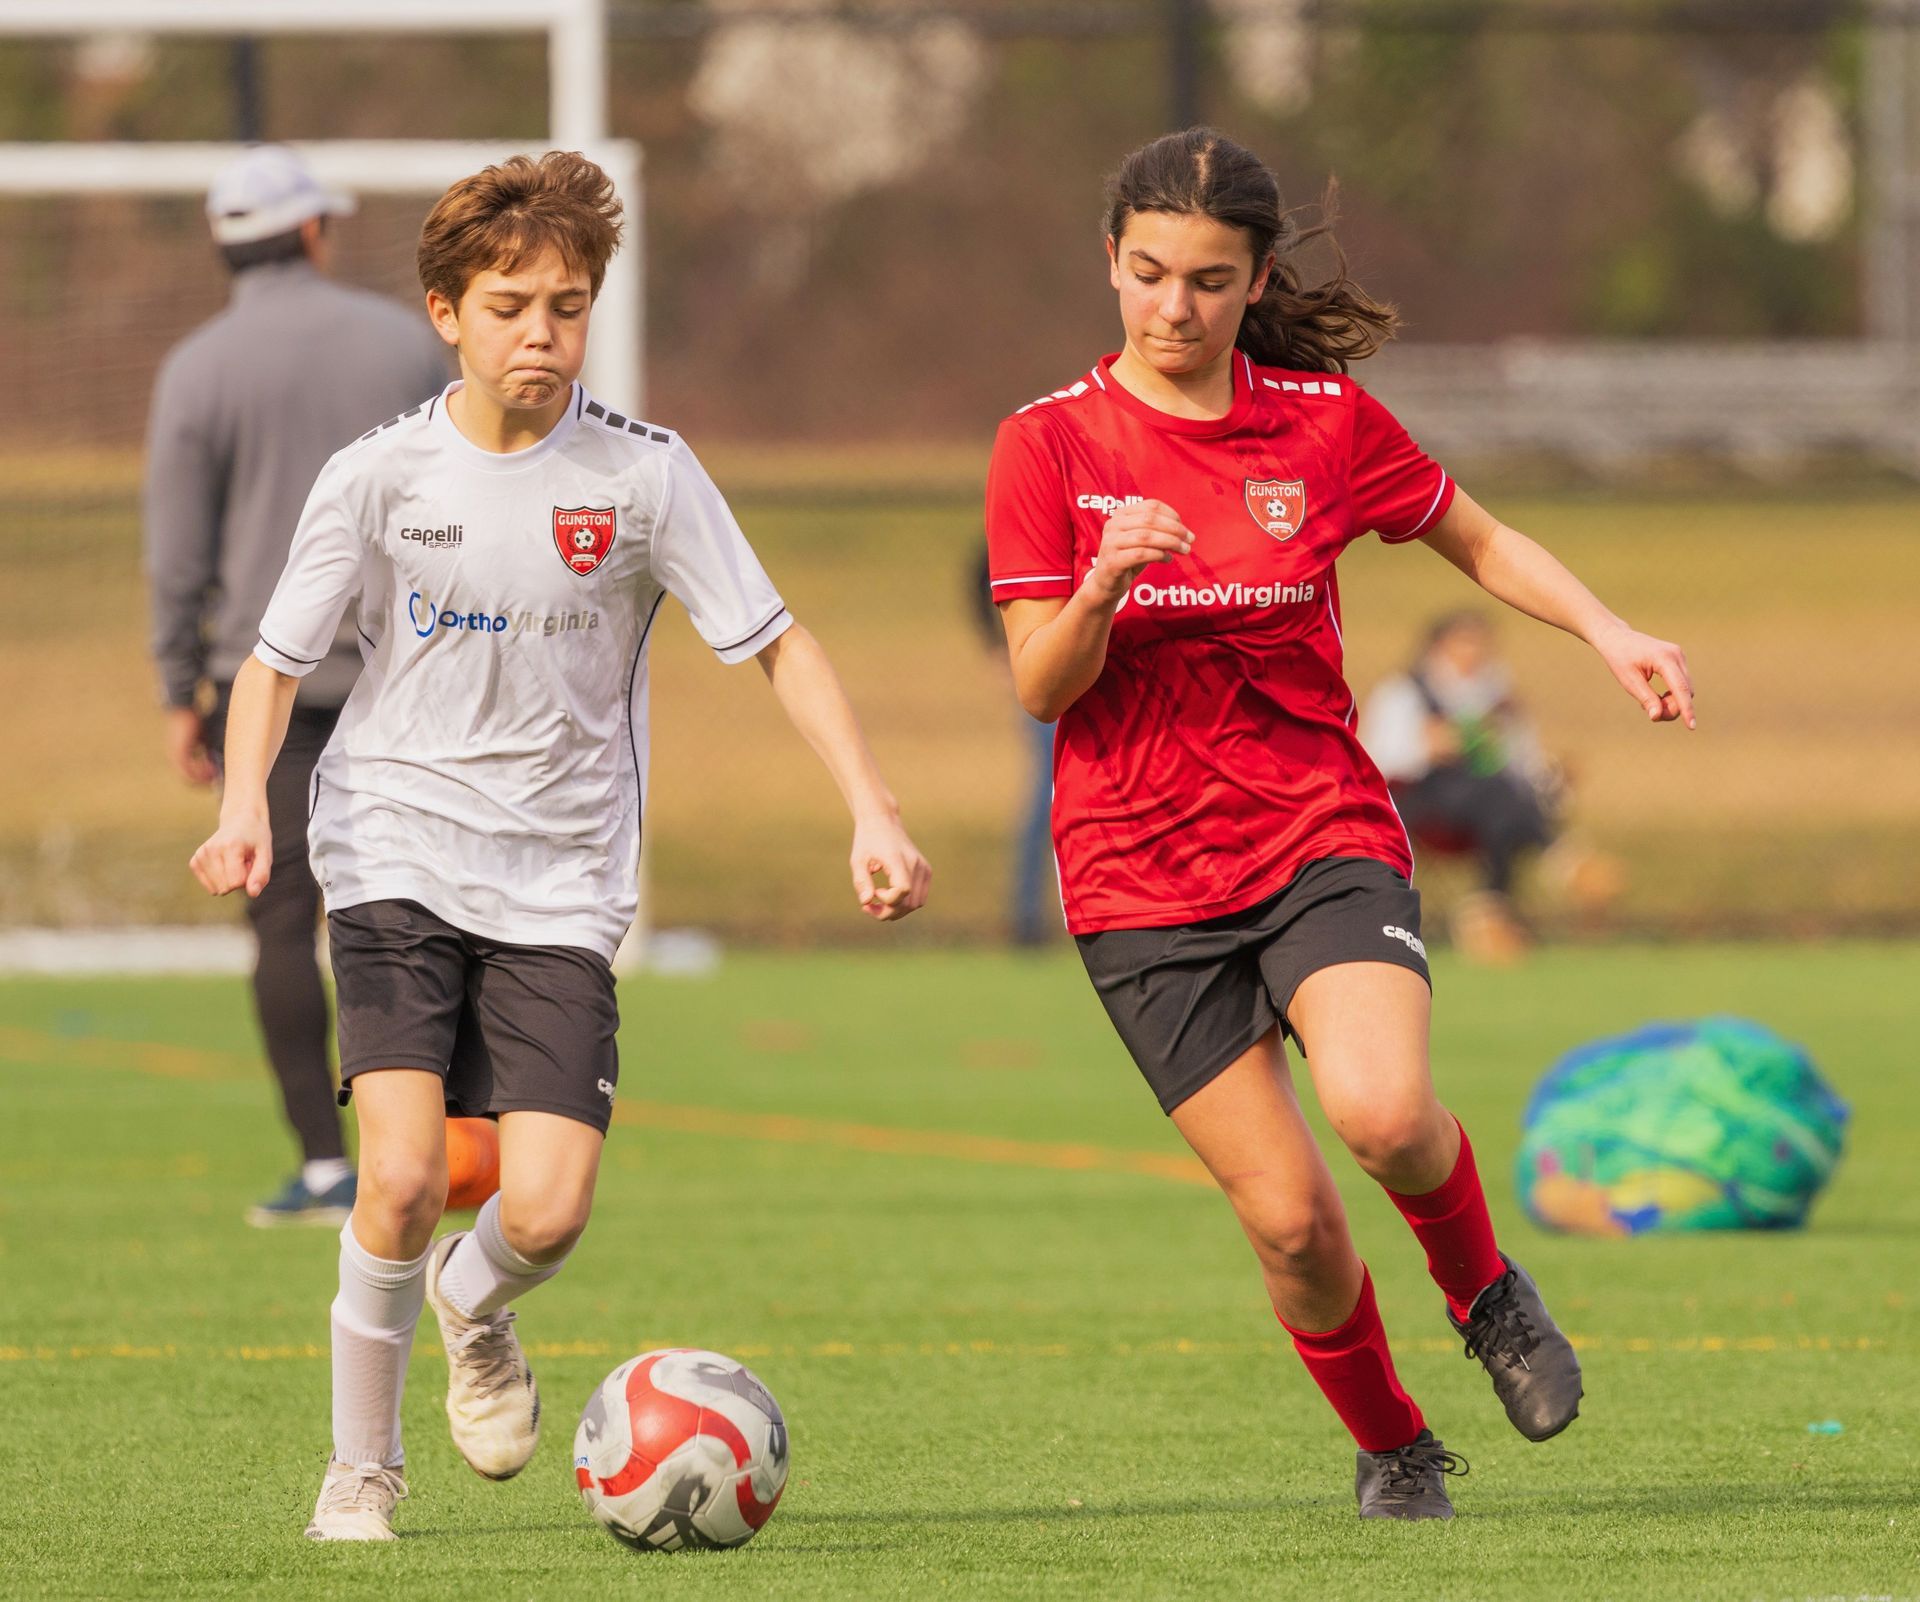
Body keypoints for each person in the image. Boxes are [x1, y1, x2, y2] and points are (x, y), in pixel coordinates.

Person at [187, 150, 930, 1542]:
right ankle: (363, 1467)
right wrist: (243, 810)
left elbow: (776, 644)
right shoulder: (379, 474)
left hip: (562, 874)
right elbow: (271, 668)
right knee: (400, 1175)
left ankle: (473, 1308)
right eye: (513, 304)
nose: (544, 332)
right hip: (393, 840)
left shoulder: (645, 477)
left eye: (569, 306)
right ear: (445, 313)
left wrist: (871, 806)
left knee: (552, 1202)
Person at [984, 129, 1694, 1521]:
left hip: (1318, 829)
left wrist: (1610, 628)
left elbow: (1478, 538)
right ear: (1108, 263)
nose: (1170, 308)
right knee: (1293, 1223)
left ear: (1255, 284)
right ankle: (1395, 1441)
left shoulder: (1317, 421)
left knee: (1379, 1110)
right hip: (1137, 882)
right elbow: (1038, 684)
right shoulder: (1048, 443)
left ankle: (1487, 1292)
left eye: (1205, 280)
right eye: (1145, 274)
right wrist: (1104, 583)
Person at [144, 145, 451, 1226]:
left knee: (282, 929)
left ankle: (328, 1165)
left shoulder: (196, 368)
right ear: (313, 231)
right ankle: (447, 1146)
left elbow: (177, 552)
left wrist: (183, 687)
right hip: (413, 681)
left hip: (262, 693)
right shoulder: (407, 343)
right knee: (432, 912)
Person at [1359, 610, 1619, 961]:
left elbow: (1521, 761)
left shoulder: (1498, 696)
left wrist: (1551, 779)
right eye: (1465, 643)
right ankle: (1556, 861)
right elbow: (1378, 759)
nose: (1475, 653)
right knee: (1501, 797)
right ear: (1438, 646)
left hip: (1488, 807)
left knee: (1505, 799)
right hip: (1425, 804)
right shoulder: (1405, 692)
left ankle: (1489, 918)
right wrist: (1430, 746)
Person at [968, 539, 1057, 943]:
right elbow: (978, 575)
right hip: (1045, 675)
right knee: (1046, 801)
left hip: (1098, 670)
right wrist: (998, 647)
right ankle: (1027, 919)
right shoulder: (1018, 512)